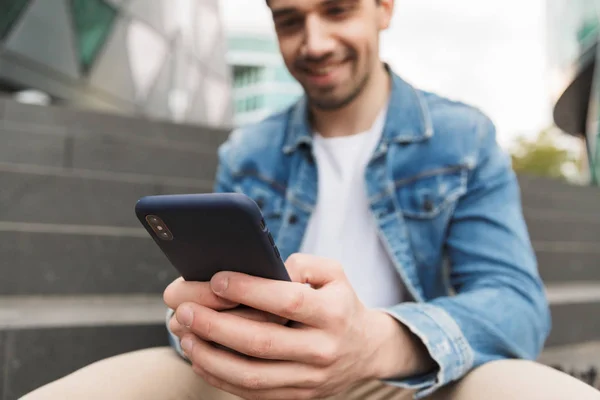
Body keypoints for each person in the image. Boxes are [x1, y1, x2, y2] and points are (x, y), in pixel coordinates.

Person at [21, 0, 600, 399]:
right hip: (266, 381)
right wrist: (206, 319)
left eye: (338, 9)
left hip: (413, 382)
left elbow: (517, 306)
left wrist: (379, 341)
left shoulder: (462, 137)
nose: (314, 43)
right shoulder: (248, 150)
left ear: (385, 8)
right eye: (290, 19)